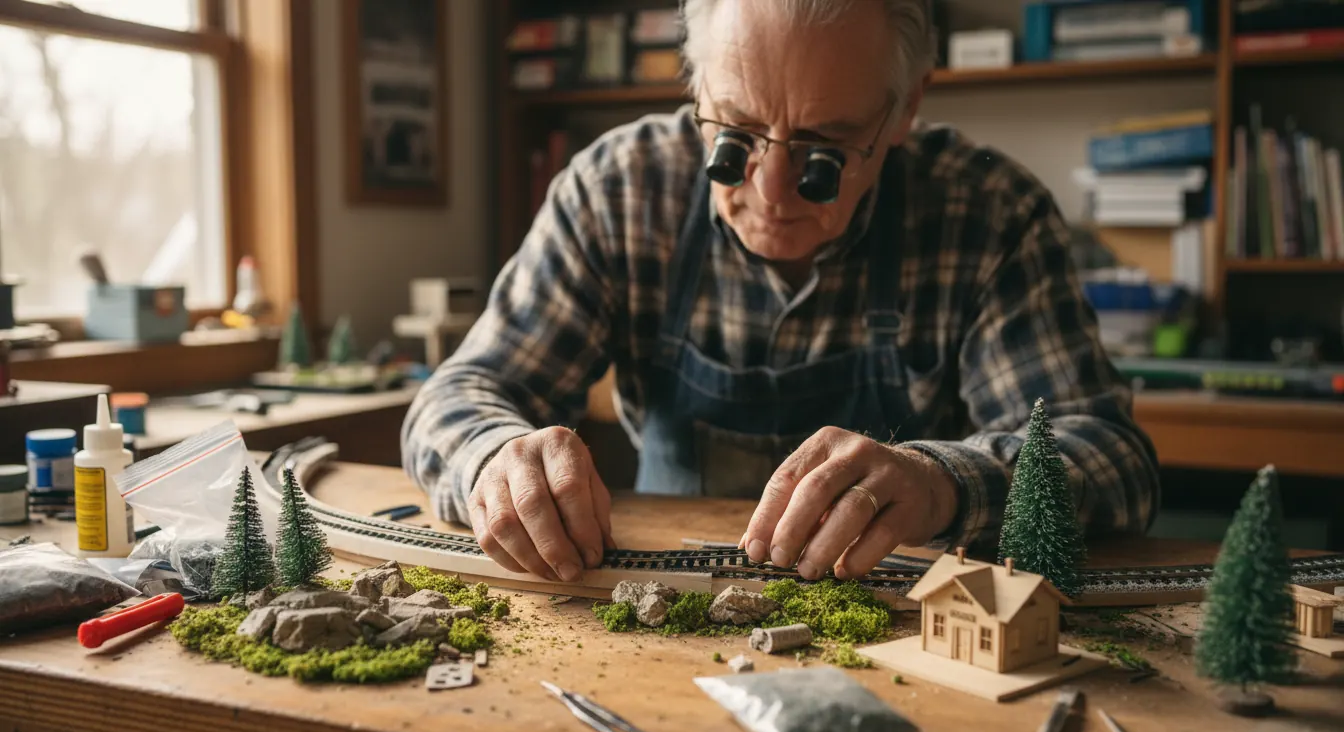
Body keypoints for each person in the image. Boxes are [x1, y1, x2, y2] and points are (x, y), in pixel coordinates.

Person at [402, 0, 1160, 584]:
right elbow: (458, 395)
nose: (771, 191)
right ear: (695, 84)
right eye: (734, 134)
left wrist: (940, 484)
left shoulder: (987, 213)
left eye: (823, 149)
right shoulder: (619, 191)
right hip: (666, 600)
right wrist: (494, 458)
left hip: (895, 616)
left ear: (905, 110)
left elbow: (1112, 459)